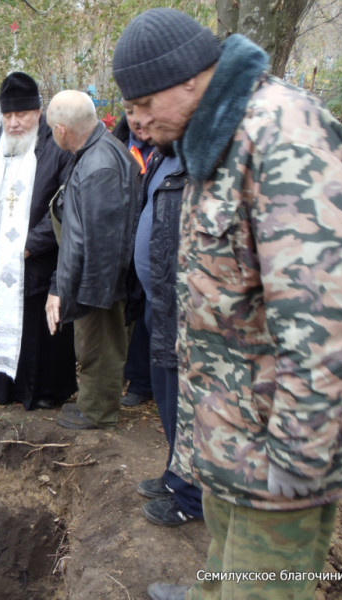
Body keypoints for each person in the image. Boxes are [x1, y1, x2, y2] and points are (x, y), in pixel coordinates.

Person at [112, 9, 342, 600]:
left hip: (279, 449)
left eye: (145, 104)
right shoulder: (214, 136)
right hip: (232, 435)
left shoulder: (283, 135)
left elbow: (325, 320)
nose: (139, 122)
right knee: (228, 562)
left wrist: (298, 462)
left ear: (189, 78)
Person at [0, 72, 77, 410]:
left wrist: (30, 244)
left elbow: (65, 203)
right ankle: (0, 389)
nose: (13, 123)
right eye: (8, 115)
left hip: (38, 262)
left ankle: (41, 393)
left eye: (21, 115)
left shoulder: (57, 148)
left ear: (38, 113)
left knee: (39, 332)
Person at [43, 90, 140, 430]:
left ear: (61, 130)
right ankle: (91, 403)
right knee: (94, 343)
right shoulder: (97, 149)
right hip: (96, 276)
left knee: (99, 346)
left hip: (100, 279)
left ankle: (97, 411)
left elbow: (95, 238)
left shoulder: (99, 165)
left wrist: (86, 291)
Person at [131, 141, 203, 527]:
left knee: (185, 403)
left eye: (146, 109)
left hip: (183, 309)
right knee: (165, 396)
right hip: (158, 301)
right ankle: (176, 475)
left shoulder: (199, 159)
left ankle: (192, 498)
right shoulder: (163, 155)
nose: (139, 122)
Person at [113, 100, 154, 408]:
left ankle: (143, 382)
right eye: (130, 113)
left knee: (147, 317)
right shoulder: (116, 147)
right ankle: (135, 378)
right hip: (121, 242)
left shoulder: (168, 150)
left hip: (153, 245)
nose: (137, 121)